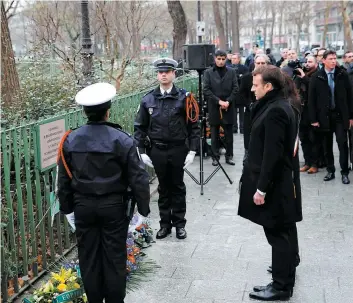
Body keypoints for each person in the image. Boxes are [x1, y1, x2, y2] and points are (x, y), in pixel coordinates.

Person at [57, 82, 150, 303]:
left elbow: (64, 179)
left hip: (83, 207)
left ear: (84, 112)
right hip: (114, 208)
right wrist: (143, 210)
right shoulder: (122, 139)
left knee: (88, 258)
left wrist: (67, 209)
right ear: (108, 110)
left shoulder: (70, 139)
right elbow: (138, 178)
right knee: (114, 258)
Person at [238, 66, 302, 301]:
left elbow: (272, 155)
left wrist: (261, 189)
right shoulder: (278, 104)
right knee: (284, 232)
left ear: (269, 86)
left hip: (276, 185)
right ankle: (282, 279)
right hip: (282, 182)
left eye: (256, 85)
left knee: (278, 234)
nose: (252, 89)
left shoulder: (276, 110)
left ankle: (281, 286)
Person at [134, 58, 199, 240]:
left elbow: (193, 126)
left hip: (178, 149)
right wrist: (141, 151)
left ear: (173, 74)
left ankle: (179, 224)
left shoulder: (185, 98)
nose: (163, 74)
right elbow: (140, 127)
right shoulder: (148, 99)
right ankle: (164, 224)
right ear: (157, 75)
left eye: (167, 71)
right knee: (163, 188)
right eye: (160, 72)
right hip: (158, 150)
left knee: (177, 187)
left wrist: (193, 150)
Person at [308, 50, 353, 184]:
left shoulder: (342, 74)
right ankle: (330, 171)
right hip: (324, 117)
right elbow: (312, 100)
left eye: (335, 58)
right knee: (327, 146)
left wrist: (351, 116)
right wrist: (314, 119)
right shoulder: (317, 77)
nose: (334, 61)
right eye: (331, 59)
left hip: (340, 116)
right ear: (324, 61)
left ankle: (344, 172)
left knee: (342, 143)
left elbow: (350, 97)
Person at [203, 49, 239, 166]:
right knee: (214, 134)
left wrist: (228, 101)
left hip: (228, 107)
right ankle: (215, 157)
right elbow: (206, 90)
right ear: (215, 59)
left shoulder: (232, 71)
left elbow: (235, 88)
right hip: (214, 106)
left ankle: (229, 156)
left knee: (229, 134)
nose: (221, 61)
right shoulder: (208, 72)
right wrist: (219, 101)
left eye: (223, 59)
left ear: (226, 59)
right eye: (219, 59)